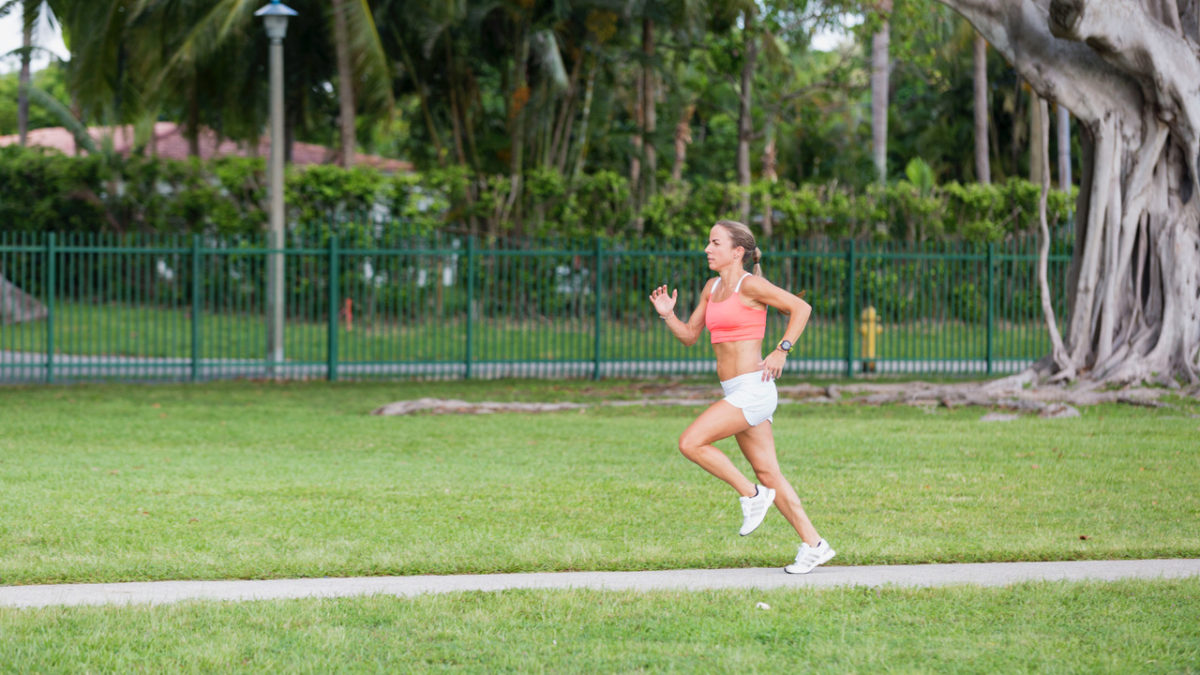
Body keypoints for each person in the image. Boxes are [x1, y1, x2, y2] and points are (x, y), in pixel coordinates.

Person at [648, 220, 835, 574]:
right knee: (769, 472)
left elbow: (802, 309)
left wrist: (782, 349)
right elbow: (689, 335)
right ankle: (815, 544)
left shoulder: (753, 286)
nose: (707, 248)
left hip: (755, 387)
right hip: (735, 390)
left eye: (715, 243)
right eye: (708, 242)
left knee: (691, 442)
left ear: (737, 252)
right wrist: (668, 315)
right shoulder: (711, 287)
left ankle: (752, 496)